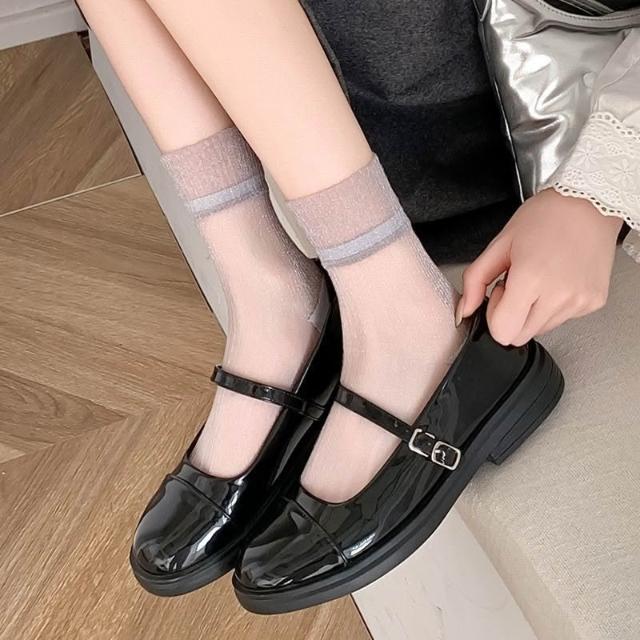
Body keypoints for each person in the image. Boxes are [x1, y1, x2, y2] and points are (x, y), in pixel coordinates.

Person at [76, 0, 638, 612]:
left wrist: (598, 189)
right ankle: (266, 285)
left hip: (510, 87)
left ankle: (396, 314)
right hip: (345, 100)